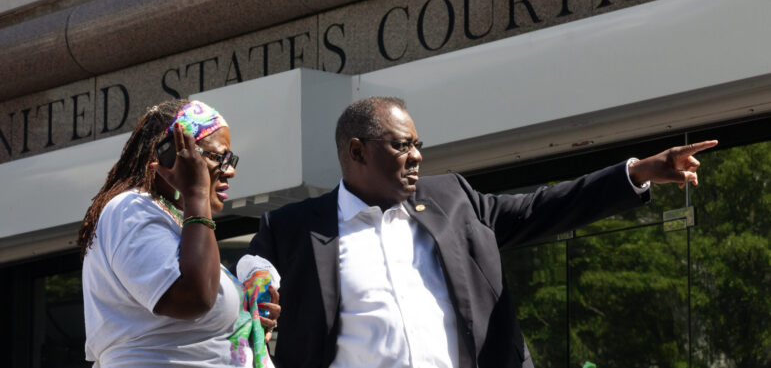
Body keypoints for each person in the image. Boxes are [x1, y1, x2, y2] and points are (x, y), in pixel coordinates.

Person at [247, 96, 717, 368]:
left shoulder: (453, 200)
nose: (417, 157)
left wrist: (637, 172)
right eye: (402, 145)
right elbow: (241, 319)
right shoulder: (291, 230)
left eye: (418, 145)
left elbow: (543, 207)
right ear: (357, 151)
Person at [78, 99, 279, 367]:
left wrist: (247, 317)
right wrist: (196, 195)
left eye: (231, 159)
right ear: (171, 156)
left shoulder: (178, 224)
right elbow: (193, 299)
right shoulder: (129, 209)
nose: (230, 170)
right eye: (219, 157)